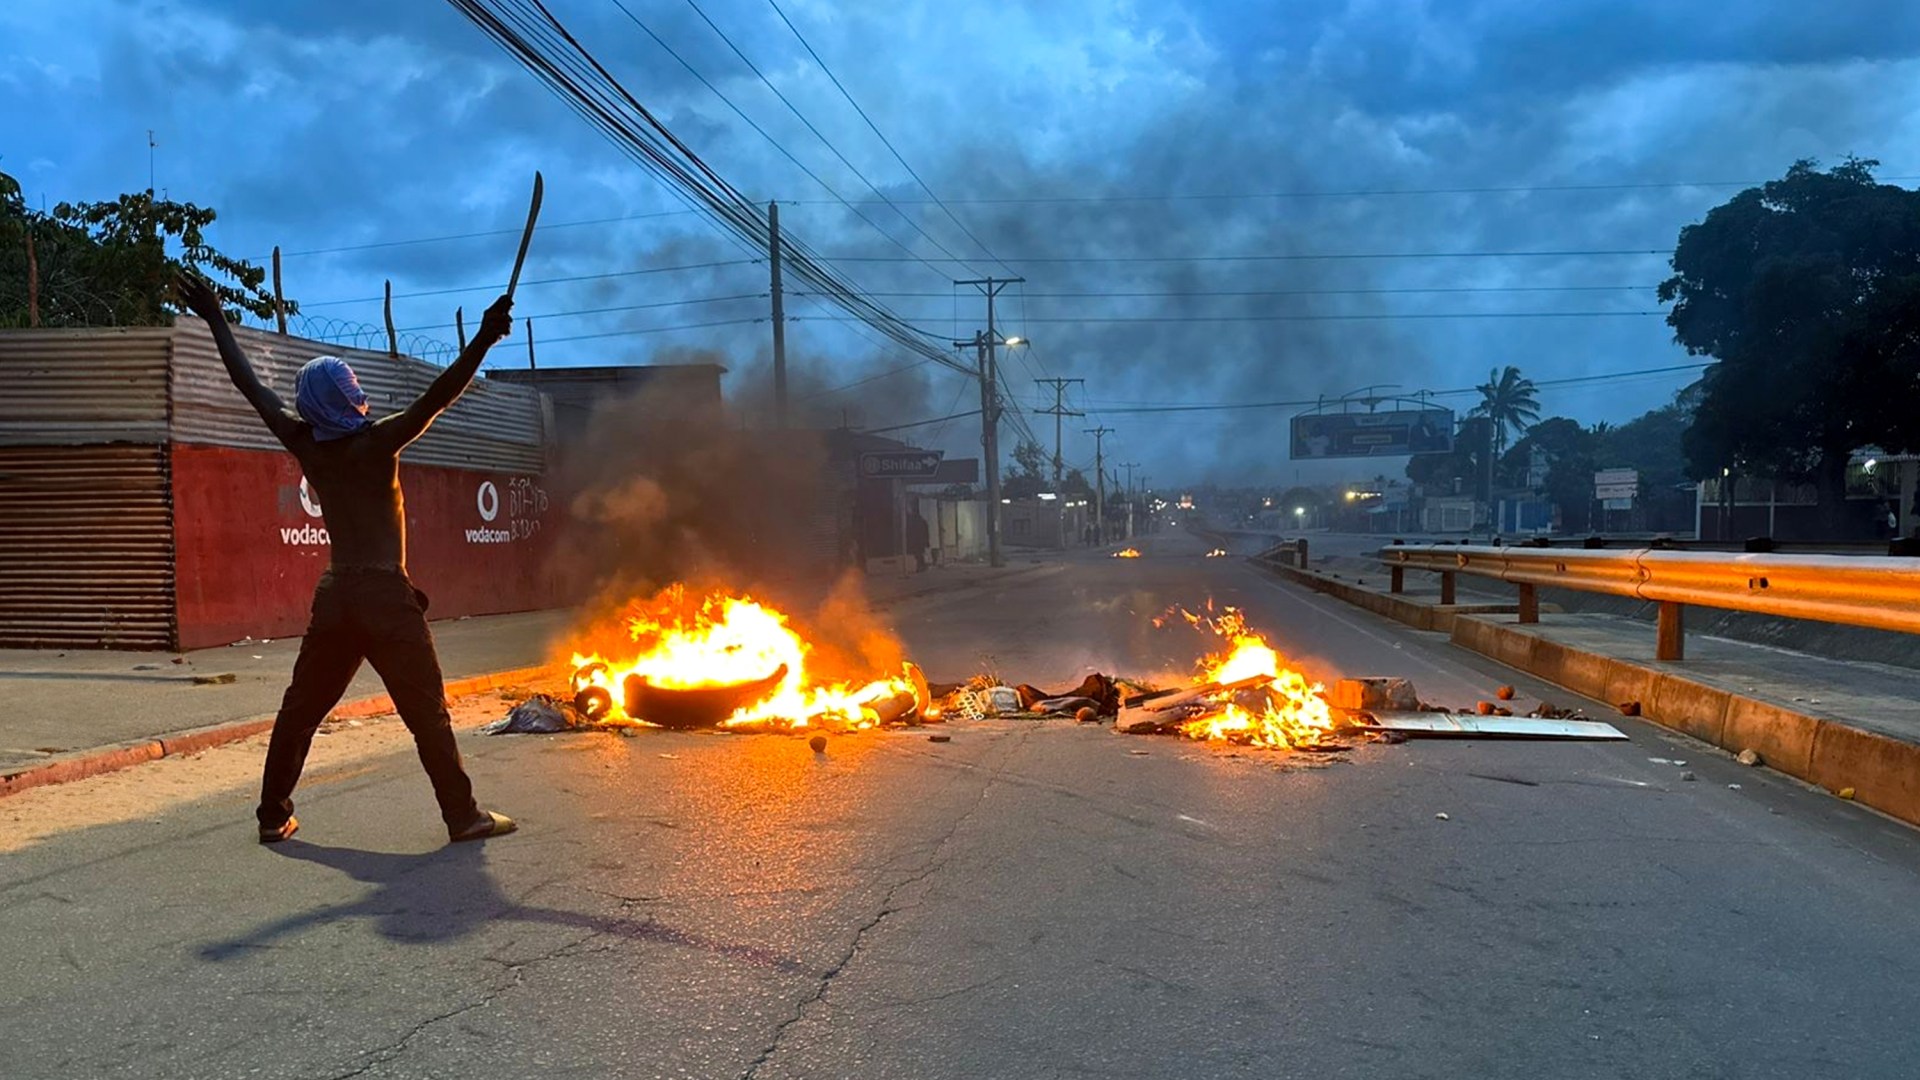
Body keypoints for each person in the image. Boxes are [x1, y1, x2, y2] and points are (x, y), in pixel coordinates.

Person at [174, 272, 518, 845]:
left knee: (300, 711)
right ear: (345, 398)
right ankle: (463, 816)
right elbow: (439, 396)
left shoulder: (304, 441)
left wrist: (215, 317)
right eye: (353, 387)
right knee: (426, 714)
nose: (361, 393)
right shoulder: (378, 443)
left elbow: (249, 384)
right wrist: (483, 338)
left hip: (336, 597)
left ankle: (272, 816)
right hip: (386, 596)